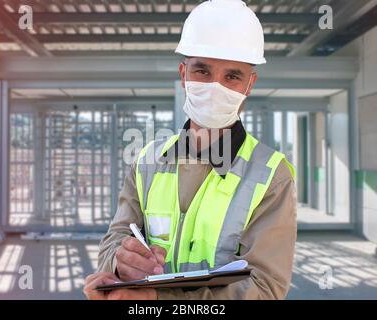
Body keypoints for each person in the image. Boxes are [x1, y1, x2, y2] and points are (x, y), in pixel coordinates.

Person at [84, 0, 297, 300]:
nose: (215, 87)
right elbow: (115, 239)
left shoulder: (271, 175)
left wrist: (161, 302)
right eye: (202, 71)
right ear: (183, 74)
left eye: (232, 76)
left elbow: (264, 289)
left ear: (250, 84)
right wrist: (120, 263)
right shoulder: (147, 161)